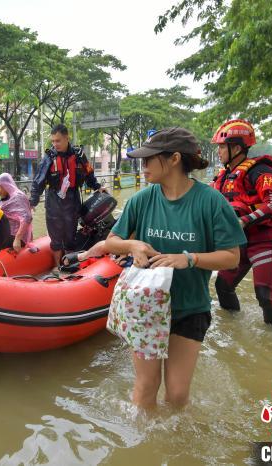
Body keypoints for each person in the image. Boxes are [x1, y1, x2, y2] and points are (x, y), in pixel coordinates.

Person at [105, 127, 246, 409]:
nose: (142, 166)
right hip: (145, 308)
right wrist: (132, 246)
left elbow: (232, 257)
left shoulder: (211, 202)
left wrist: (189, 259)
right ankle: (144, 446)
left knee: (177, 394)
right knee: (146, 386)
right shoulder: (141, 200)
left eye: (149, 159)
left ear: (174, 159)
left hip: (190, 309)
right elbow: (111, 241)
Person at [210, 119, 272, 329]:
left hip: (264, 240)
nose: (218, 151)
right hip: (239, 242)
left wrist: (243, 221)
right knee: (223, 285)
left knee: (265, 295)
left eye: (221, 147)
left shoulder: (260, 171)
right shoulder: (223, 176)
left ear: (236, 147)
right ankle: (233, 328)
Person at [29, 124, 103, 269]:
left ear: (66, 138)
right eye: (53, 141)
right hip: (53, 201)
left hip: (72, 200)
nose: (55, 144)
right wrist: (32, 201)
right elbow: (39, 180)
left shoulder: (79, 155)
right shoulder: (49, 157)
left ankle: (69, 265)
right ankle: (59, 268)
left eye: (58, 141)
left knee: (70, 238)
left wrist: (98, 187)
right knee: (56, 240)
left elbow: (89, 173)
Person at [0, 173, 33, 252]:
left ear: (6, 186)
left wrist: (17, 239)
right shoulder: (7, 198)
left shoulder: (18, 197)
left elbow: (27, 217)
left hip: (16, 236)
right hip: (7, 233)